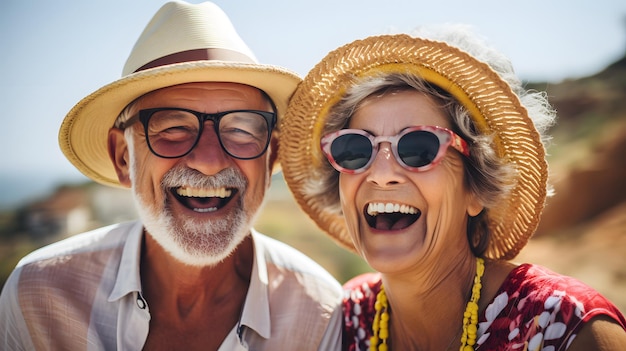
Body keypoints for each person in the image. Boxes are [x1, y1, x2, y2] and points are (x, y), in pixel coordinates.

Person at [0, 2, 342, 350]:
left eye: (241, 130)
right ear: (122, 157)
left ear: (270, 159)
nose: (209, 162)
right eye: (174, 127)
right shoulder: (39, 295)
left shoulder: (319, 313)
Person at [278, 25, 626, 350]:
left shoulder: (564, 328)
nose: (381, 175)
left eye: (418, 147)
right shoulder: (343, 320)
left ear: (475, 188)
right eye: (354, 149)